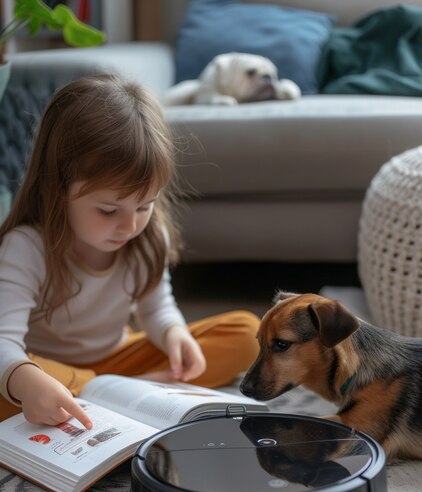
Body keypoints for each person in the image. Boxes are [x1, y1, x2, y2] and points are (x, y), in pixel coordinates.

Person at [0, 74, 260, 429]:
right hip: (45, 367)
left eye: (145, 206)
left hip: (118, 359)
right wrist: (26, 379)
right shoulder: (27, 247)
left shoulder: (148, 237)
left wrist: (174, 335)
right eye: (108, 211)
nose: (129, 225)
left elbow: (157, 308)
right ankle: (109, 391)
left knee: (247, 333)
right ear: (57, 187)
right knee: (12, 378)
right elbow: (3, 341)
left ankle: (100, 391)